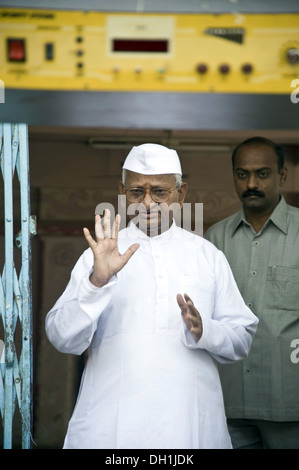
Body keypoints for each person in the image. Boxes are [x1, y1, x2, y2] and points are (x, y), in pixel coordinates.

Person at [45, 143, 258, 449]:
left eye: (159, 192)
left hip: (190, 426)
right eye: (136, 192)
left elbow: (242, 338)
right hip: (111, 427)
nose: (147, 202)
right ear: (122, 192)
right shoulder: (101, 253)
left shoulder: (207, 256)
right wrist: (97, 282)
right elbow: (61, 337)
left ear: (180, 194)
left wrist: (205, 329)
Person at [205, 136, 299, 449]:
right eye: (242, 174)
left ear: (282, 176)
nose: (251, 183)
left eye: (263, 173)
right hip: (229, 402)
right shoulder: (214, 240)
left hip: (289, 404)